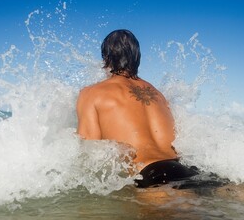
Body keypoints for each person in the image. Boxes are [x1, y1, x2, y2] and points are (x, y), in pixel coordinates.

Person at [76, 29, 199, 188]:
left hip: (153, 175)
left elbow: (90, 151)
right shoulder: (157, 94)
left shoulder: (90, 93)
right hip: (189, 170)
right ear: (137, 58)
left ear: (106, 58)